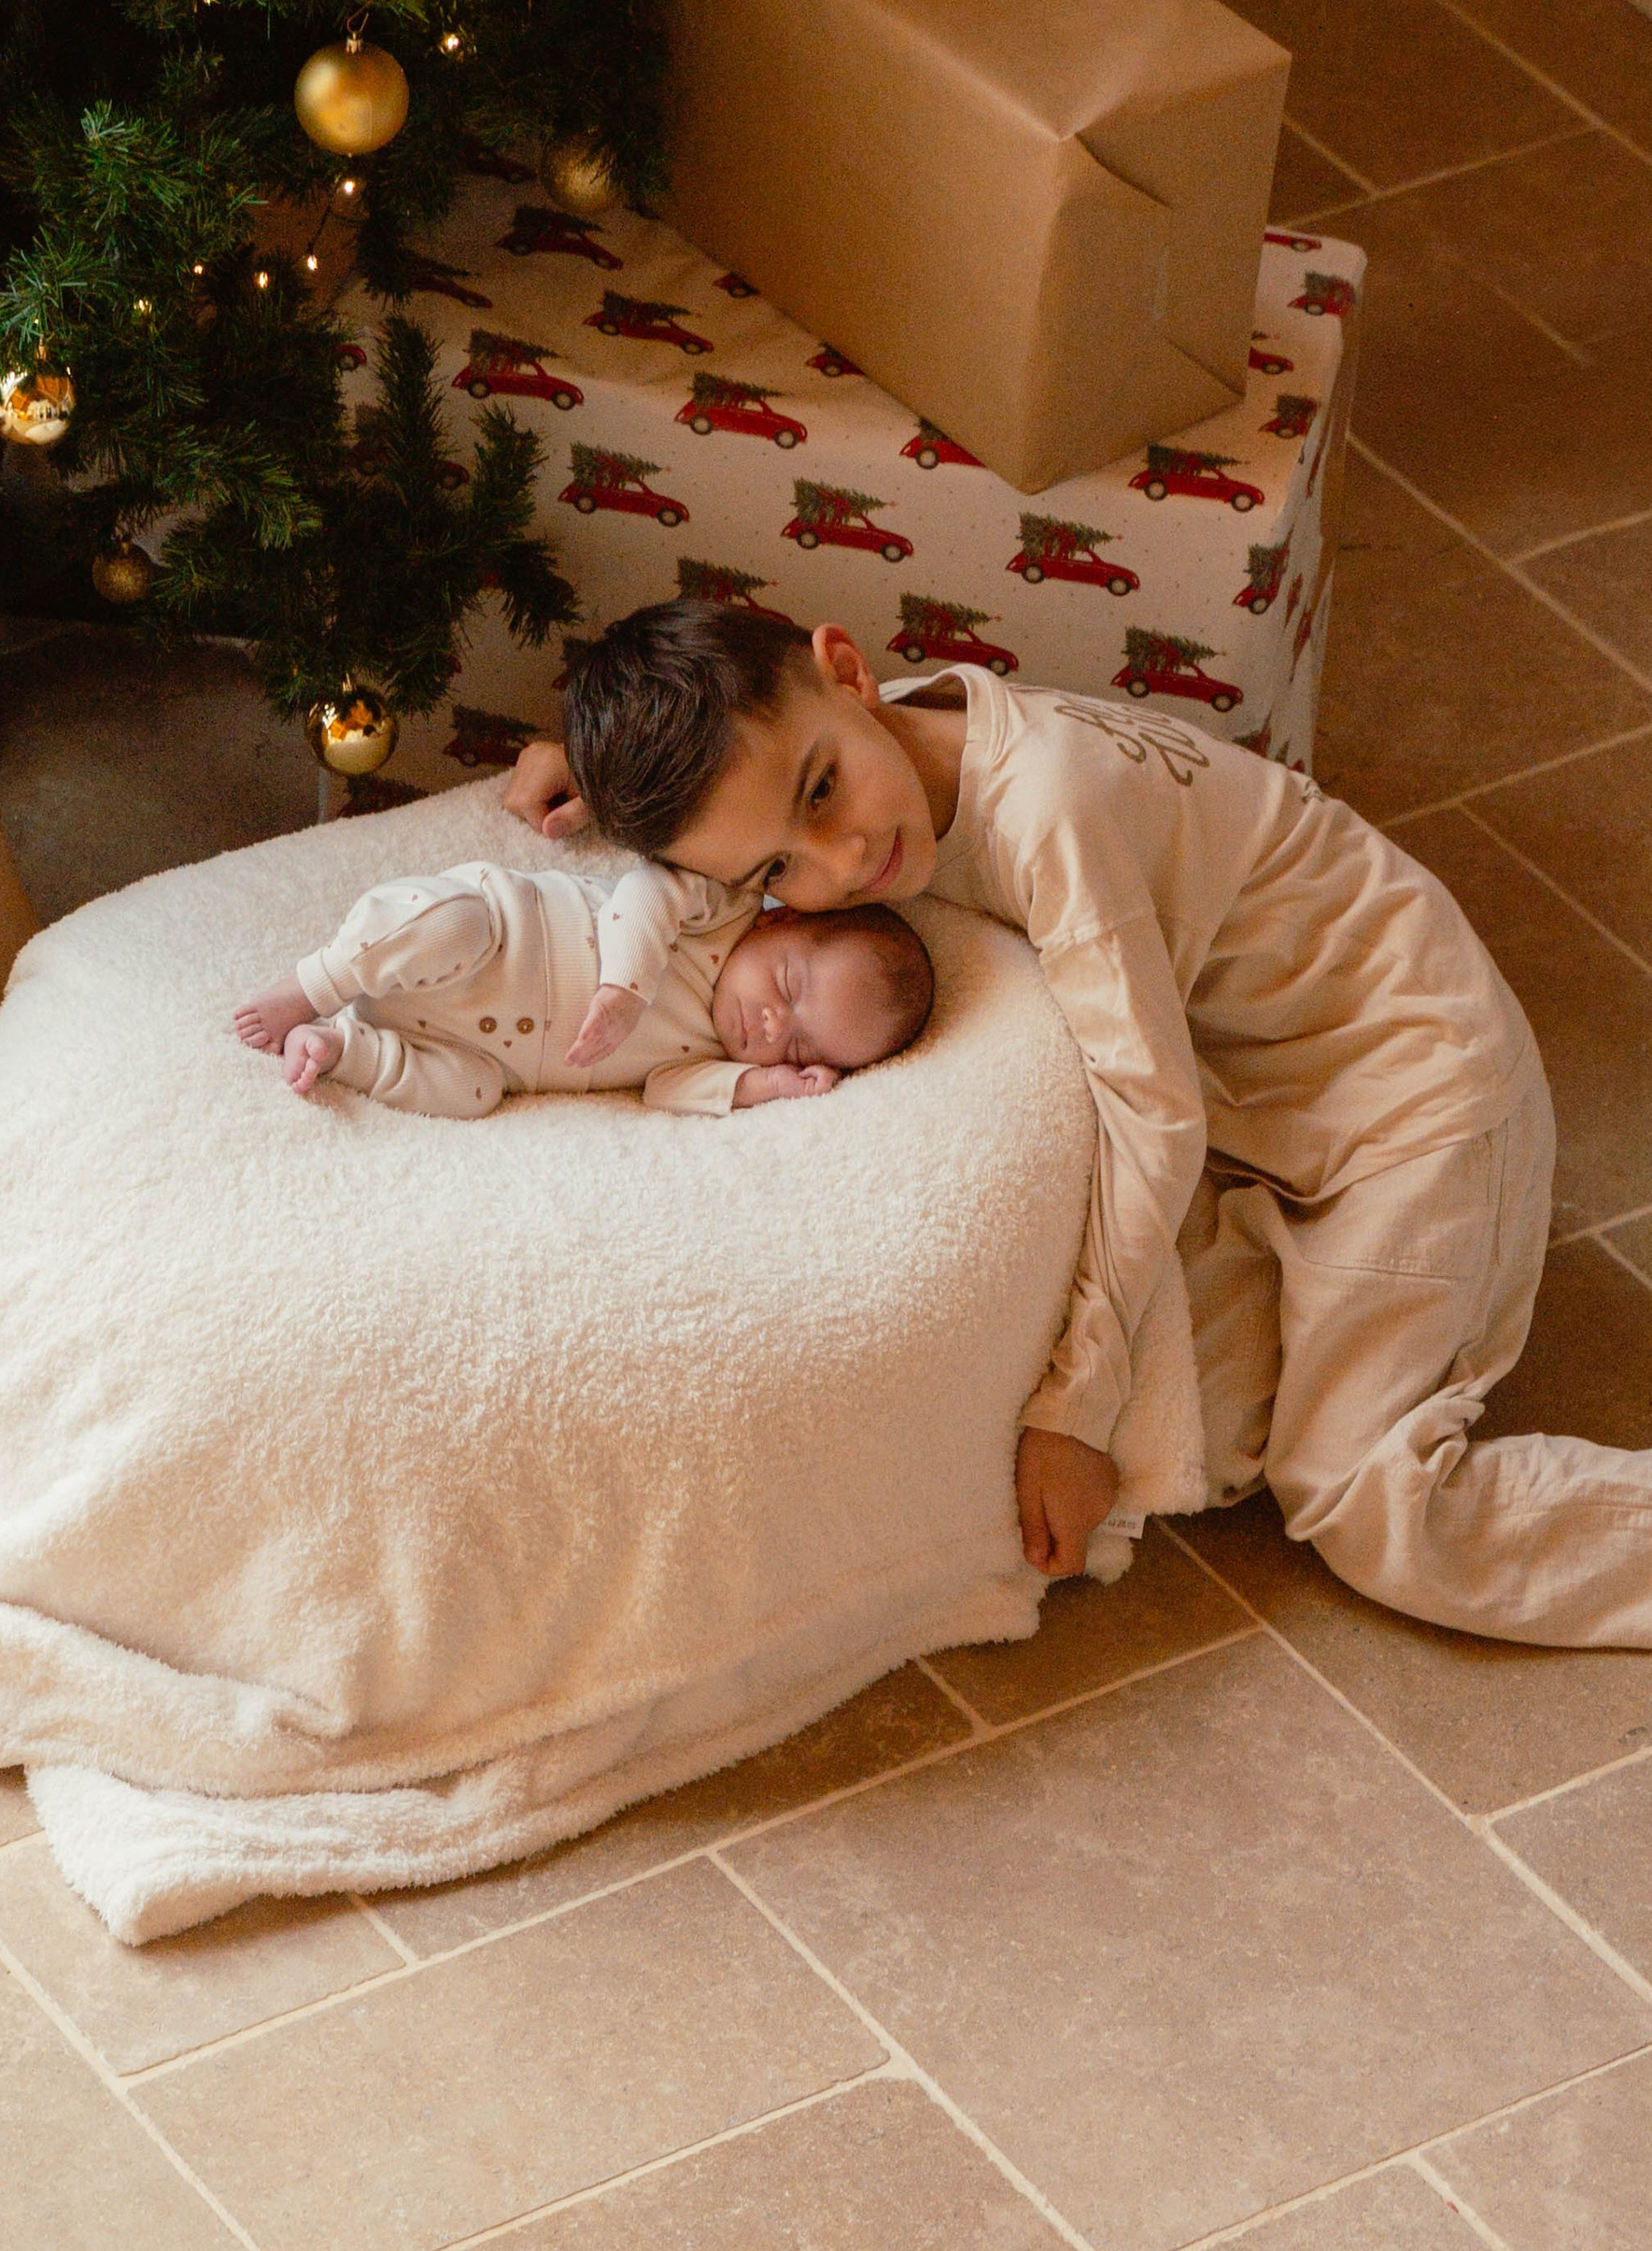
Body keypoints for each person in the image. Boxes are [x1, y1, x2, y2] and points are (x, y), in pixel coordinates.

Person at [505, 598, 1652, 1642]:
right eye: (776, 867)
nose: (843, 857)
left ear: (848, 668)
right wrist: (600, 778)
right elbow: (740, 782)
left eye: (821, 792)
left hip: (1414, 1091)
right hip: (1254, 1100)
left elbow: (1153, 1120)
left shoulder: (1047, 807)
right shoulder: (858, 749)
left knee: (1359, 1498)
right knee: (1151, 1422)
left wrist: (1078, 1410)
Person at [231, 848, 933, 1118]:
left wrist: (763, 1086)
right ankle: (315, 984)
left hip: (485, 1054)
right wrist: (623, 990)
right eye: (789, 986)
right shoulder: (721, 909)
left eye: (801, 1046)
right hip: (497, 939)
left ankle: (340, 1046)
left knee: (471, 1094)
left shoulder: (714, 1055)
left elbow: (665, 1089)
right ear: (779, 924)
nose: (776, 1025)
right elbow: (645, 892)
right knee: (451, 922)